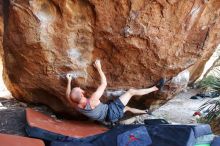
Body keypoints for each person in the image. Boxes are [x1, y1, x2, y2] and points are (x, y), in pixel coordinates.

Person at [66, 60, 164, 123]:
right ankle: (155, 88)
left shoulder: (77, 107)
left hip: (108, 118)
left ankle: (145, 111)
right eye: (79, 88)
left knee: (127, 108)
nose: (79, 87)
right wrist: (99, 68)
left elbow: (68, 96)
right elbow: (104, 84)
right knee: (131, 92)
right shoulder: (92, 101)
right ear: (82, 94)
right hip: (111, 111)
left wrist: (69, 81)